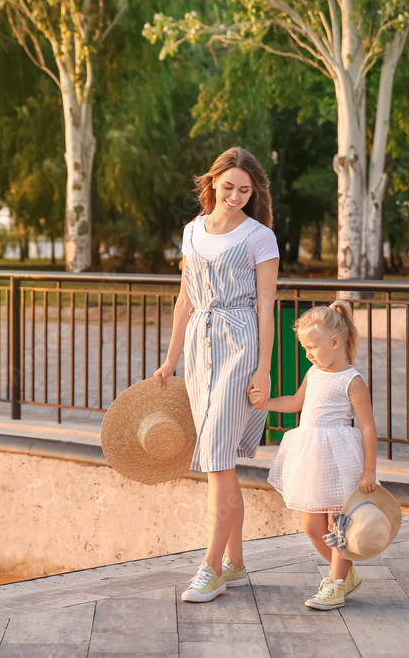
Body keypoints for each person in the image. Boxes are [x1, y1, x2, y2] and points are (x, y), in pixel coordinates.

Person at [154, 147, 279, 603]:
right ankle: (237, 564)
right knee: (219, 463)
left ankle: (209, 567)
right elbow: (186, 298)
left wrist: (264, 368)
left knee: (218, 459)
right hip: (199, 352)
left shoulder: (260, 236)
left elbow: (266, 305)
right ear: (213, 183)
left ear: (254, 191)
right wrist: (171, 358)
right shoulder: (191, 231)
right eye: (228, 187)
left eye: (245, 190)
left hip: (241, 345)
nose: (236, 196)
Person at [248, 301, 379, 611]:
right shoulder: (314, 371)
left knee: (340, 526)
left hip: (339, 459)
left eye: (312, 347)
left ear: (335, 342)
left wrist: (369, 470)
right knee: (311, 526)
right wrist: (265, 404)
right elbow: (296, 403)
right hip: (312, 459)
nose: (307, 353)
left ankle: (334, 582)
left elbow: (369, 429)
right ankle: (345, 572)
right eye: (305, 348)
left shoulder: (352, 381)